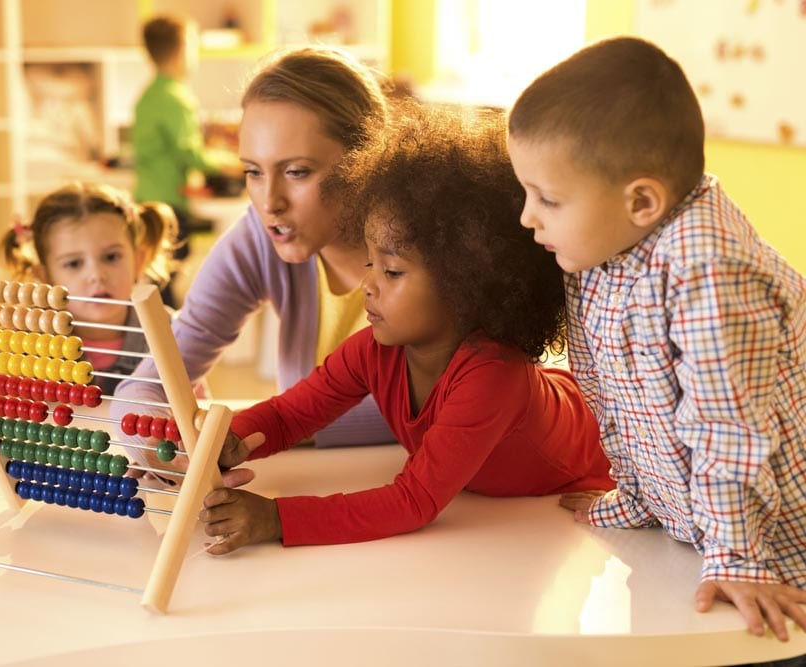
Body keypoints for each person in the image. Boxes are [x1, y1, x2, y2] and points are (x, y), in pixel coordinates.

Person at [198, 103, 614, 553]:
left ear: (465, 285)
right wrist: (231, 437)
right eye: (370, 262)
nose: (367, 285)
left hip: (603, 452)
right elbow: (288, 415)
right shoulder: (374, 350)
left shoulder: (494, 375)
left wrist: (274, 518)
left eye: (392, 272)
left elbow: (413, 501)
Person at [507, 36, 806, 647]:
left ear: (642, 200)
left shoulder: (709, 272)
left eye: (548, 199)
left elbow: (728, 429)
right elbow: (620, 394)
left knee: (751, 644)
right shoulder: (599, 247)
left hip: (778, 551)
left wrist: (736, 556)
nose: (527, 217)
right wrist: (639, 496)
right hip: (695, 532)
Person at [114, 46, 398, 461]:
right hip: (316, 478)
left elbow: (449, 406)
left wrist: (276, 423)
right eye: (253, 171)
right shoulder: (260, 236)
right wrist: (150, 439)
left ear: (366, 160)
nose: (269, 202)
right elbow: (153, 378)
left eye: (297, 171)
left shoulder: (435, 249)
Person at [0, 182, 177, 394]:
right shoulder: (29, 342)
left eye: (111, 257)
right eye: (73, 263)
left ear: (138, 262)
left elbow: (196, 407)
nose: (97, 275)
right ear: (45, 277)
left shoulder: (171, 332)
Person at [132, 14, 239, 308]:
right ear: (181, 51)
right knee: (165, 274)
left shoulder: (148, 95)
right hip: (168, 203)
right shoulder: (177, 99)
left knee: (155, 272)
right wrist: (232, 162)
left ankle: (163, 333)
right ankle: (170, 338)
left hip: (145, 196)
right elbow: (190, 154)